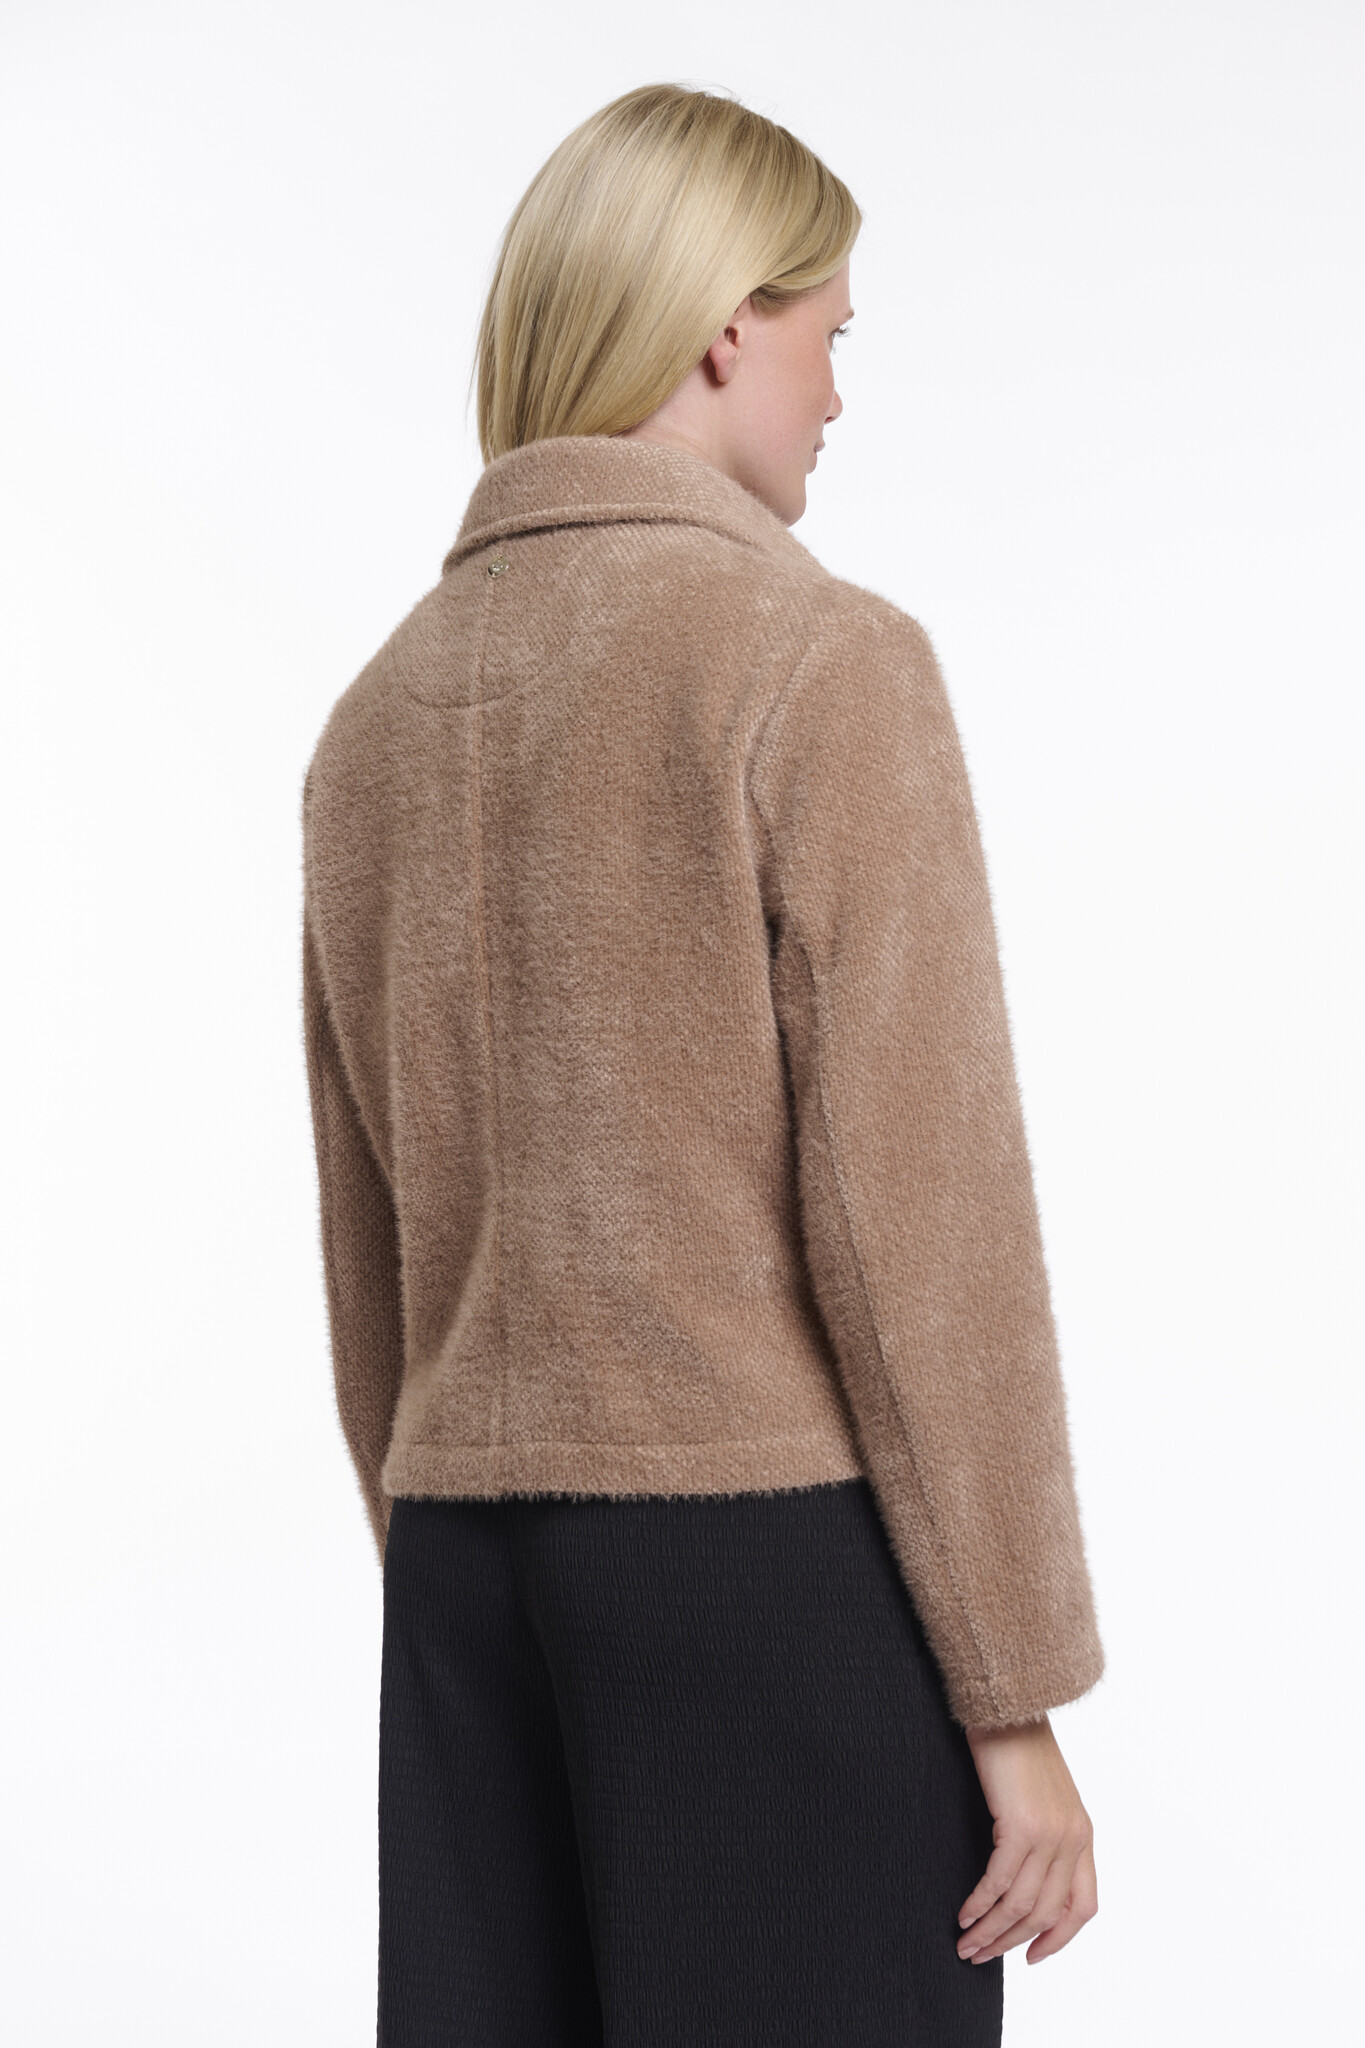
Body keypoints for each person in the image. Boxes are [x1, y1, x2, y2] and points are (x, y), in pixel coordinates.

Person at [301, 80, 1105, 2047]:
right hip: (764, 1577)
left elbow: (366, 1239)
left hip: (465, 1576)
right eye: (828, 331)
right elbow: (919, 1218)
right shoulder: (812, 659)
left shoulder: (375, 718)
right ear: (724, 326)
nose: (837, 392)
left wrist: (443, 1562)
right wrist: (1010, 1697)